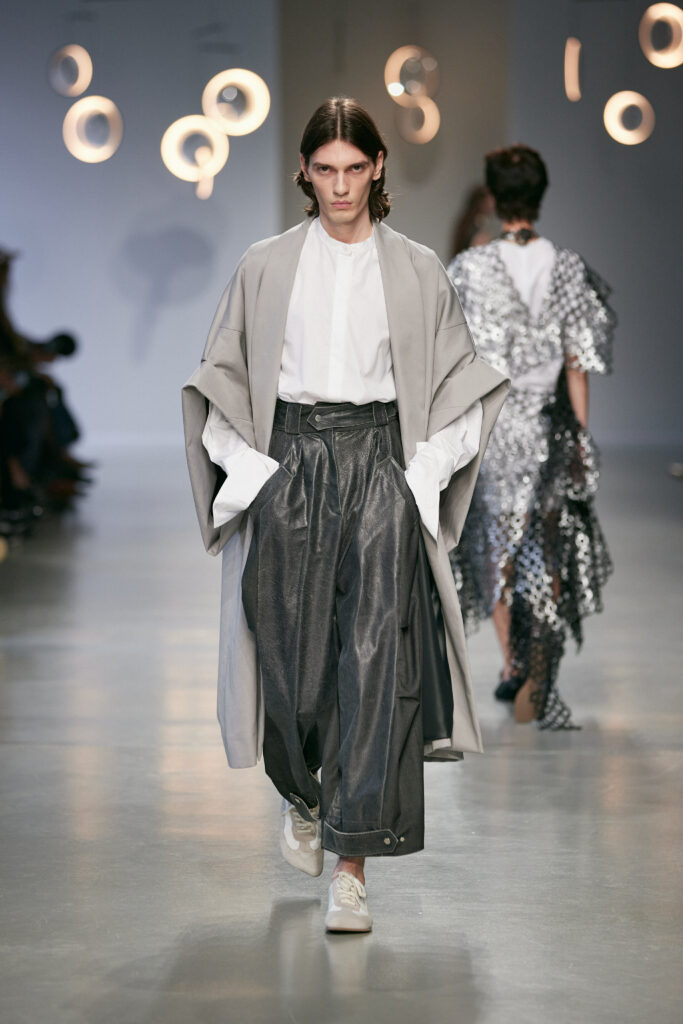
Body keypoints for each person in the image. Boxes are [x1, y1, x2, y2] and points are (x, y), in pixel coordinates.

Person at [182, 98, 508, 932]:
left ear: (377, 168)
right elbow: (218, 379)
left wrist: (419, 475)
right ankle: (301, 792)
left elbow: (462, 384)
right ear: (303, 171)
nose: (339, 186)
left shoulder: (417, 270)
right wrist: (252, 471)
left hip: (378, 460)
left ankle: (351, 868)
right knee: (289, 662)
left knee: (372, 662)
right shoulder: (264, 265)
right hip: (288, 457)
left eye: (353, 169)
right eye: (324, 170)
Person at [448, 144, 616, 731]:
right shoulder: (567, 267)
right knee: (546, 548)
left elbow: (456, 362)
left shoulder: (469, 269)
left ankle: (514, 663)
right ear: (540, 197)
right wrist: (580, 442)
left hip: (492, 430)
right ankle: (539, 663)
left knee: (494, 550)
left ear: (494, 197)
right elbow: (577, 366)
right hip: (549, 430)